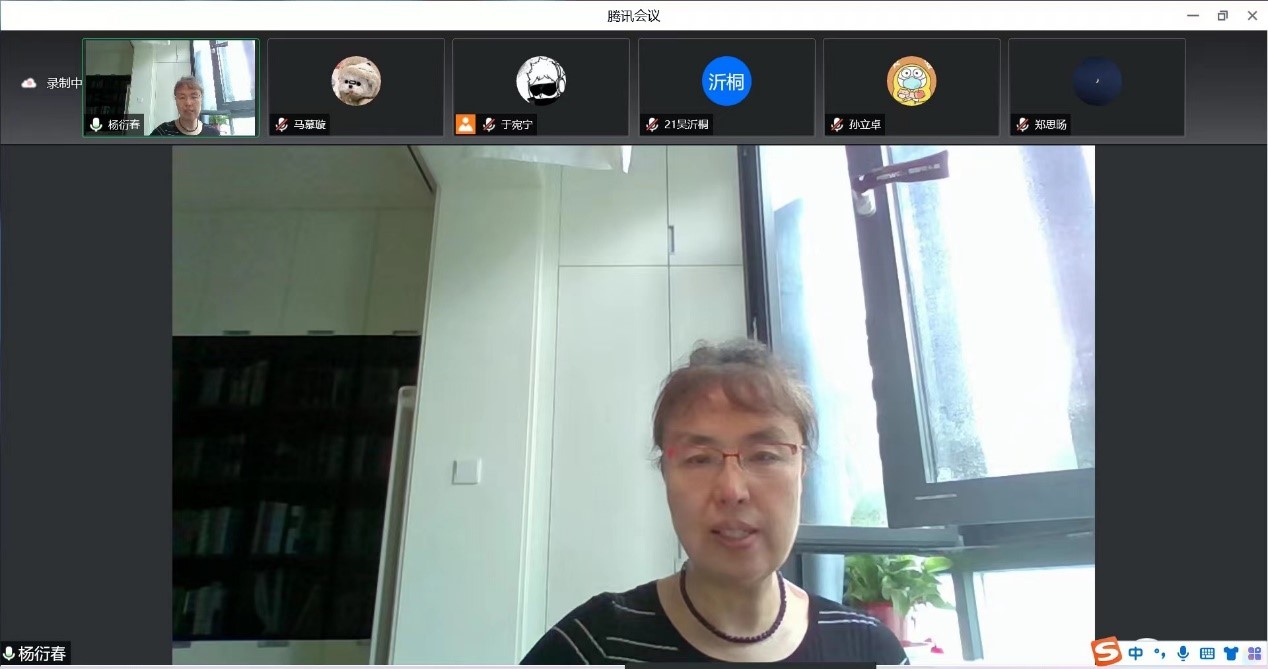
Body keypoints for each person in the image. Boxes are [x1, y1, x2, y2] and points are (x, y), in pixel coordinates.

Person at [521, 339, 910, 664]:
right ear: (665, 475)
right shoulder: (595, 646)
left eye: (765, 455)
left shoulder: (870, 651)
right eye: (699, 459)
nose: (732, 489)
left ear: (801, 470)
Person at [150, 76, 221, 136]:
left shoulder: (213, 134)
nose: (188, 103)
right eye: (182, 97)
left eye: (194, 97)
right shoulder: (162, 133)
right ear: (176, 101)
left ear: (201, 99)